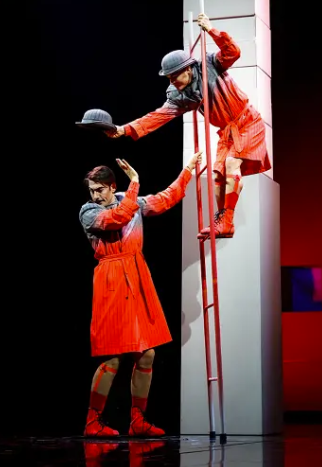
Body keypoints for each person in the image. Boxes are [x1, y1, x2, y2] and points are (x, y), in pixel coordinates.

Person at [105, 13, 271, 238]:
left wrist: (211, 30)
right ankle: (225, 221)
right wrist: (124, 129)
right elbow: (157, 116)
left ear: (188, 69)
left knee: (232, 164)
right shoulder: (180, 95)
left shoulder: (210, 64)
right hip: (227, 132)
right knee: (218, 177)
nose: (172, 81)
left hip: (247, 121)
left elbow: (233, 52)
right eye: (169, 78)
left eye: (174, 76)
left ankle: (226, 220)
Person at [79, 152, 202, 437]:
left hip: (137, 276)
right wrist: (134, 182)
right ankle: (93, 422)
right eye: (92, 191)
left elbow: (165, 199)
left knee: (147, 353)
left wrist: (187, 171)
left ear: (112, 187)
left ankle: (137, 421)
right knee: (113, 355)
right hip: (111, 279)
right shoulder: (88, 212)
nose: (95, 195)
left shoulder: (129, 201)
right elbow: (117, 219)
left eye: (100, 190)